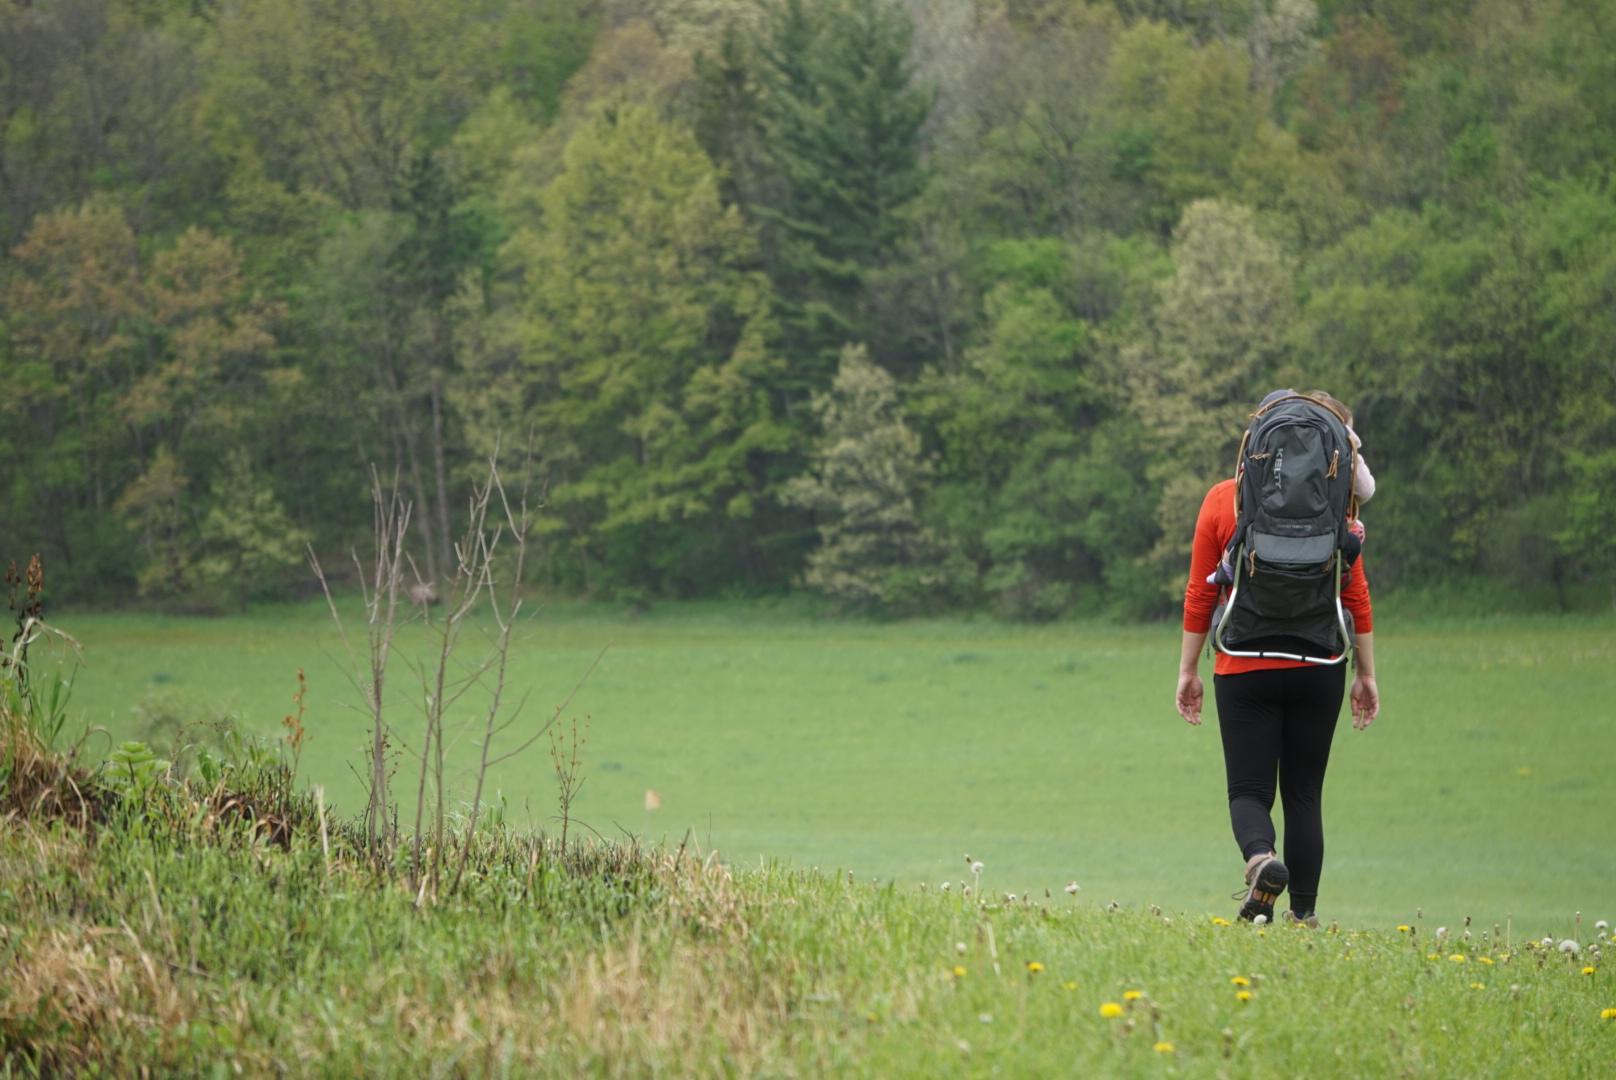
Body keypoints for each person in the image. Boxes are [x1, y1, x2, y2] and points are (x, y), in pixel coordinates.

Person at [1175, 392, 1381, 927]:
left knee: (1248, 790)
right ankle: (1304, 917)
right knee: (1304, 794)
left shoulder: (1223, 501)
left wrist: (1187, 670)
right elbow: (1354, 597)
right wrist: (1366, 674)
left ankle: (1262, 860)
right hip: (1320, 664)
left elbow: (1200, 592)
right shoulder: (1341, 510)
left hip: (1243, 662)